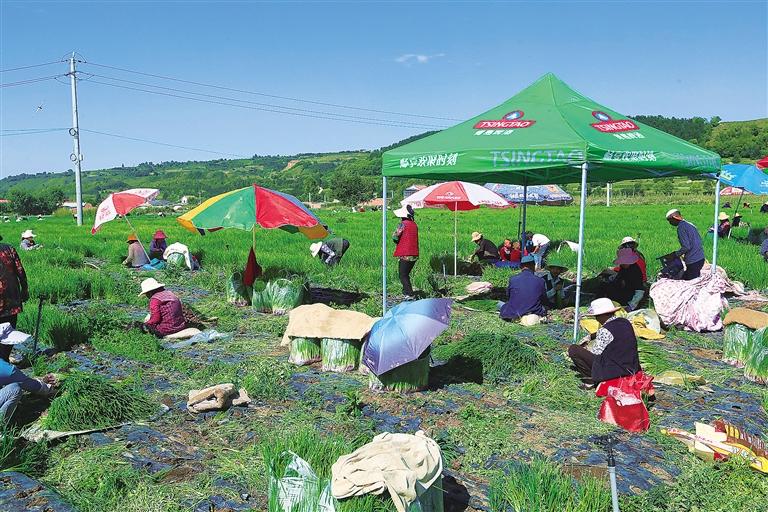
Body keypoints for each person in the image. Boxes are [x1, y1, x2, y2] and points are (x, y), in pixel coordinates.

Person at [567, 298, 641, 387]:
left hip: (615, 372)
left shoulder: (605, 330)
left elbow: (596, 354)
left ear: (602, 315)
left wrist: (584, 349)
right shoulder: (625, 322)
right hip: (631, 367)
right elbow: (612, 333)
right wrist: (590, 337)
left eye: (597, 316)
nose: (596, 319)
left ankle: (590, 379)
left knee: (573, 349)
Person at [0, 325, 56, 424]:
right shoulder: (7, 369)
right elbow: (33, 386)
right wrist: (49, 388)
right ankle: (1, 425)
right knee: (15, 389)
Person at [0, 238, 28, 362]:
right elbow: (20, 271)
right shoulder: (9, 249)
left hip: (8, 297)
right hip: (11, 297)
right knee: (9, 330)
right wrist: (25, 289)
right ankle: (4, 359)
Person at [499, 255, 548, 321]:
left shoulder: (512, 279)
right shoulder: (541, 281)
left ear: (521, 267)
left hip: (513, 313)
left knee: (500, 304)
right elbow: (544, 299)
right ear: (533, 266)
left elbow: (509, 296)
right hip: (533, 312)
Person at [666, 209, 705, 280]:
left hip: (693, 260)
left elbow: (686, 247)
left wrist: (675, 254)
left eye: (670, 220)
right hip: (700, 257)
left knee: (690, 283)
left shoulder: (681, 228)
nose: (670, 223)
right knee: (694, 279)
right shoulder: (690, 224)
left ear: (675, 218)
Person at [392, 205, 419, 298]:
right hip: (414, 254)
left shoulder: (402, 224)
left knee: (402, 275)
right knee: (406, 274)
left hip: (405, 254)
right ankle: (406, 292)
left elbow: (395, 236)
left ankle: (409, 294)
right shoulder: (414, 224)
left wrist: (396, 240)